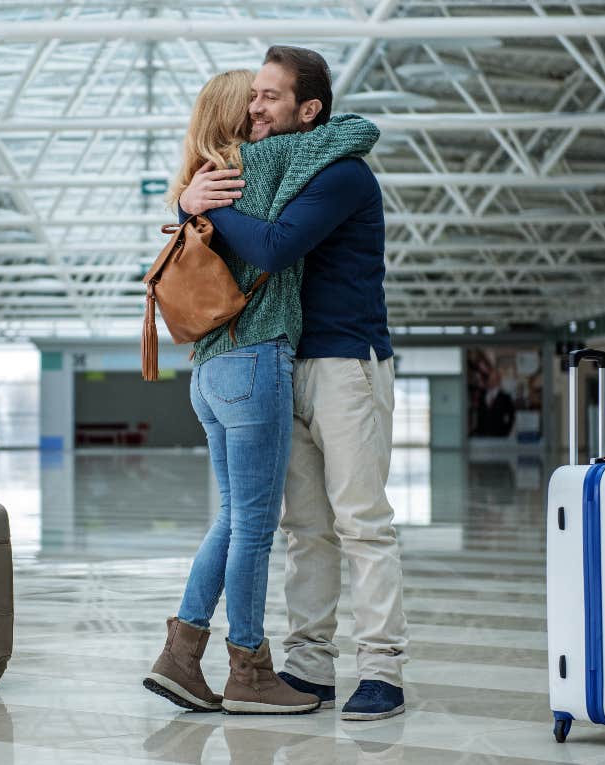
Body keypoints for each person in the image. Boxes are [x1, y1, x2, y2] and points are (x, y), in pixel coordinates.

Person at [177, 45, 407, 721]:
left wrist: (205, 206)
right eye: (253, 95)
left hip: (346, 364)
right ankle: (309, 664)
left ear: (309, 109)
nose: (255, 106)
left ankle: (381, 670)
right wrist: (191, 196)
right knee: (306, 528)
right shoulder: (277, 171)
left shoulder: (340, 175)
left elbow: (275, 246)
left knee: (361, 521)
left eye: (270, 96)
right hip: (283, 365)